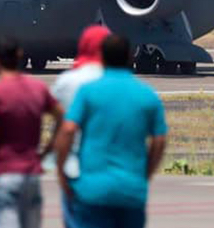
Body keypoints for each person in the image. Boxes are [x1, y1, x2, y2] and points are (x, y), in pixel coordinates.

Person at [54, 34, 168, 228]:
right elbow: (159, 139)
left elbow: (68, 130)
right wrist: (146, 173)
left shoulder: (88, 91)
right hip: (131, 190)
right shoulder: (147, 94)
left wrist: (61, 172)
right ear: (130, 57)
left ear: (102, 57)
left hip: (92, 190)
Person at [0, 36, 63, 228]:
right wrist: (45, 152)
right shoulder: (38, 88)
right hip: (32, 176)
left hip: (4, 175)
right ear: (19, 55)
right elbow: (63, 119)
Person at [48, 25, 110, 227]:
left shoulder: (67, 81)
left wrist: (57, 167)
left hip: (77, 171)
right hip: (116, 173)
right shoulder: (128, 86)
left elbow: (64, 129)